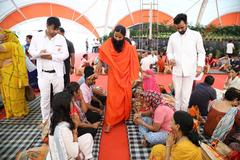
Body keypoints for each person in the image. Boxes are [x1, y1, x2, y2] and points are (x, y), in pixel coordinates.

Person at [96, 25, 140, 132]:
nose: (117, 39)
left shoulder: (129, 48)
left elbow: (134, 62)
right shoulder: (108, 43)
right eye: (116, 36)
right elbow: (102, 53)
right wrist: (99, 64)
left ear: (124, 37)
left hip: (126, 76)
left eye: (120, 38)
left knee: (125, 97)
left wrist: (134, 77)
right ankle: (110, 122)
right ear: (113, 34)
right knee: (112, 99)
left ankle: (122, 117)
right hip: (113, 77)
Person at [29, 17, 68, 125]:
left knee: (58, 99)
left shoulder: (61, 38)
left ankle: (58, 121)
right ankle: (46, 122)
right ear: (47, 26)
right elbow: (31, 51)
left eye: (57, 29)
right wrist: (39, 54)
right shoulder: (37, 37)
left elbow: (65, 54)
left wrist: (52, 57)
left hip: (57, 74)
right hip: (43, 74)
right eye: (52, 29)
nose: (55, 32)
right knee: (45, 100)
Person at [167, 13, 206, 111]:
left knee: (185, 97)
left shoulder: (196, 35)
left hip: (190, 70)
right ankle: (176, 115)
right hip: (177, 70)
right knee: (177, 96)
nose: (180, 30)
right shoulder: (173, 37)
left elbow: (201, 52)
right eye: (177, 28)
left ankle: (183, 116)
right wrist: (171, 58)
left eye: (182, 27)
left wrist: (200, 66)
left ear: (187, 23)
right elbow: (169, 51)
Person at [48, 91, 93, 160]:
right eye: (71, 102)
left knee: (87, 137)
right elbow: (74, 153)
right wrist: (75, 129)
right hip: (64, 156)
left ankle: (86, 157)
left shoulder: (52, 118)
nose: (73, 103)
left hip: (59, 151)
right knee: (88, 136)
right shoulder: (63, 128)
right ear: (66, 106)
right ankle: (86, 158)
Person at [0, 30, 29, 118]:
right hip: (14, 74)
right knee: (16, 93)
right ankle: (20, 111)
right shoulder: (16, 45)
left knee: (11, 94)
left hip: (9, 74)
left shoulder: (10, 45)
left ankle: (15, 112)